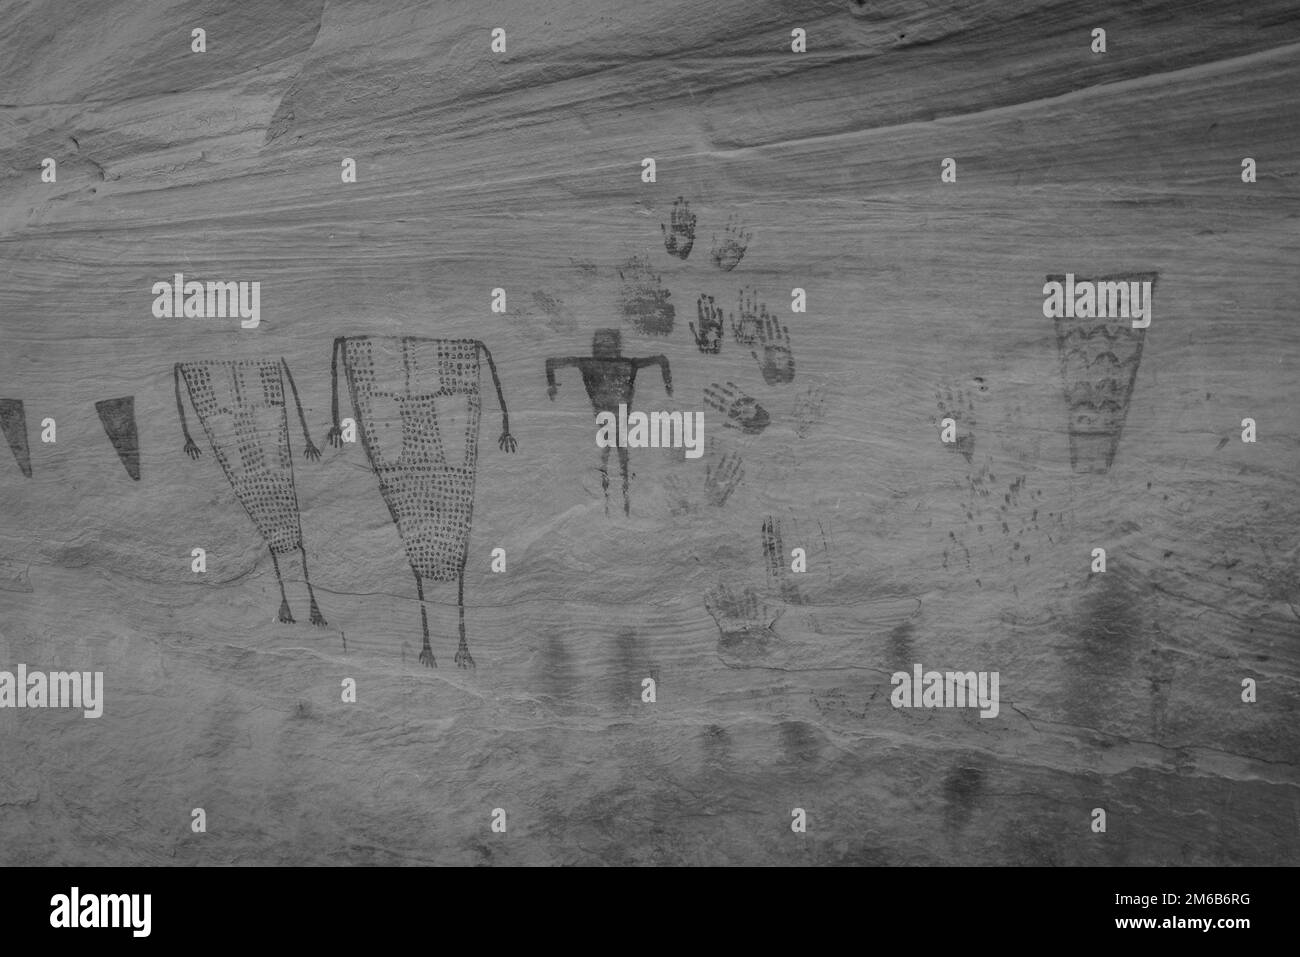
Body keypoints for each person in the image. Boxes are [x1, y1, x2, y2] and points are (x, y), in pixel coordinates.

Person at [327, 336, 515, 669]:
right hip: (416, 464)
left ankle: (453, 641)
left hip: (440, 462)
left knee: (450, 532)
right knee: (417, 538)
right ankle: (440, 642)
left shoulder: (451, 383)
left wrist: (505, 426)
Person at [545, 328, 672, 516]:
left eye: (607, 344)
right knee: (616, 459)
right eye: (601, 344)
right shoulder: (620, 364)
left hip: (610, 424)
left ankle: (612, 506)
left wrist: (552, 386)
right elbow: (661, 360)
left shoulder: (597, 364)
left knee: (612, 459)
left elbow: (551, 363)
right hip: (613, 424)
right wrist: (668, 384)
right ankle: (616, 505)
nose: (604, 348)